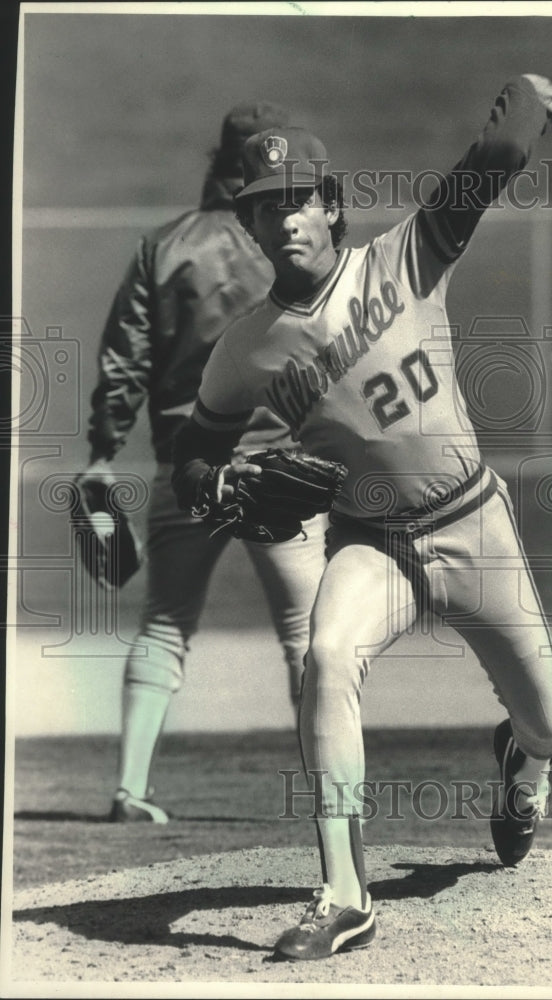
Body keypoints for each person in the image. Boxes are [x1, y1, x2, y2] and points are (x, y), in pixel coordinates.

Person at [172, 75, 552, 958]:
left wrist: (525, 96)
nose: (282, 220)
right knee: (324, 656)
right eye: (262, 208)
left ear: (329, 205)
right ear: (246, 227)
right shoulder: (245, 348)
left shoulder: (406, 254)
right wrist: (213, 488)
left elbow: (496, 160)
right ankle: (345, 895)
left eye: (297, 201)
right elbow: (194, 450)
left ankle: (525, 759)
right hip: (373, 544)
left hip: (475, 526)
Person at [81, 101, 328, 824]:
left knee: (164, 624)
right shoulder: (287, 243)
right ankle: (326, 790)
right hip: (275, 464)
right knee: (306, 636)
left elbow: (125, 361)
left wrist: (101, 452)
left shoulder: (162, 247)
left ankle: (130, 788)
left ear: (216, 162)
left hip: (183, 465)